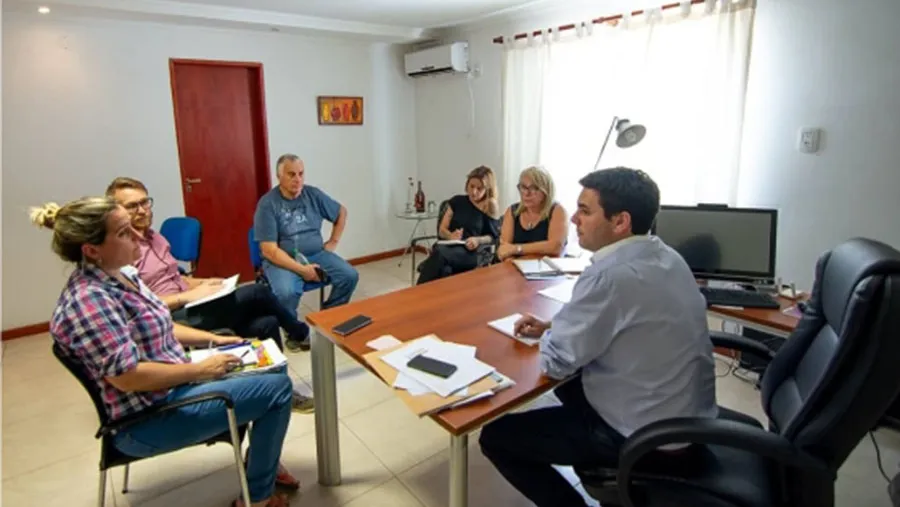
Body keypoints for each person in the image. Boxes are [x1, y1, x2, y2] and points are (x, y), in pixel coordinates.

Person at [34, 197, 300, 507]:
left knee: (272, 362)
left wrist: (213, 340)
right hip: (148, 419)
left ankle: (260, 462)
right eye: (123, 232)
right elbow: (128, 377)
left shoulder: (123, 273)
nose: (137, 235)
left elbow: (161, 324)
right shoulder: (90, 301)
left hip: (173, 383)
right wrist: (201, 370)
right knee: (279, 390)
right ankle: (257, 498)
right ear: (92, 251)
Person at [479, 167, 717, 507]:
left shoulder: (608, 275)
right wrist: (554, 325)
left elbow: (556, 362)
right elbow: (626, 317)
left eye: (585, 211)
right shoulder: (668, 256)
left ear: (620, 222)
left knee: (496, 437)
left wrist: (558, 333)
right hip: (688, 422)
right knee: (569, 386)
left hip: (645, 439)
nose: (574, 219)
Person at [106, 178, 315, 414]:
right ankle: (300, 333)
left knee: (267, 323)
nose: (142, 210)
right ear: (115, 212)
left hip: (193, 302)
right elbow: (139, 308)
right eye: (132, 206)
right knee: (258, 292)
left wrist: (206, 283)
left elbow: (177, 278)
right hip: (173, 318)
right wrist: (186, 297)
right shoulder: (123, 250)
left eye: (145, 202)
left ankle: (281, 390)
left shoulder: (156, 237)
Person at [253, 154, 359, 316]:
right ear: (279, 176)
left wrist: (333, 241)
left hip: (316, 254)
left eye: (301, 174)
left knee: (349, 276)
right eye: (291, 174)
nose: (298, 179)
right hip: (283, 260)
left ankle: (328, 317)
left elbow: (341, 212)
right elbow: (269, 251)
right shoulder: (267, 204)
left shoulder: (313, 195)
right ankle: (293, 329)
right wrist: (303, 270)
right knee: (286, 293)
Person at [416, 166, 501, 284]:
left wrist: (477, 240)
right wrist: (450, 235)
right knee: (445, 270)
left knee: (439, 254)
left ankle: (416, 292)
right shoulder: (456, 201)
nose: (474, 192)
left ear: (487, 189)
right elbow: (442, 230)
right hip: (450, 247)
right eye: (471, 186)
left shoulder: (490, 205)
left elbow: (494, 237)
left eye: (479, 188)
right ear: (467, 184)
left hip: (473, 252)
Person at [496, 166, 568, 261]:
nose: (526, 193)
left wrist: (517, 248)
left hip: (544, 268)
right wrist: (515, 264)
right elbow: (504, 250)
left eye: (533, 188)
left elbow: (555, 247)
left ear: (546, 191)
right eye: (523, 187)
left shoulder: (557, 210)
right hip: (514, 266)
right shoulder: (512, 211)